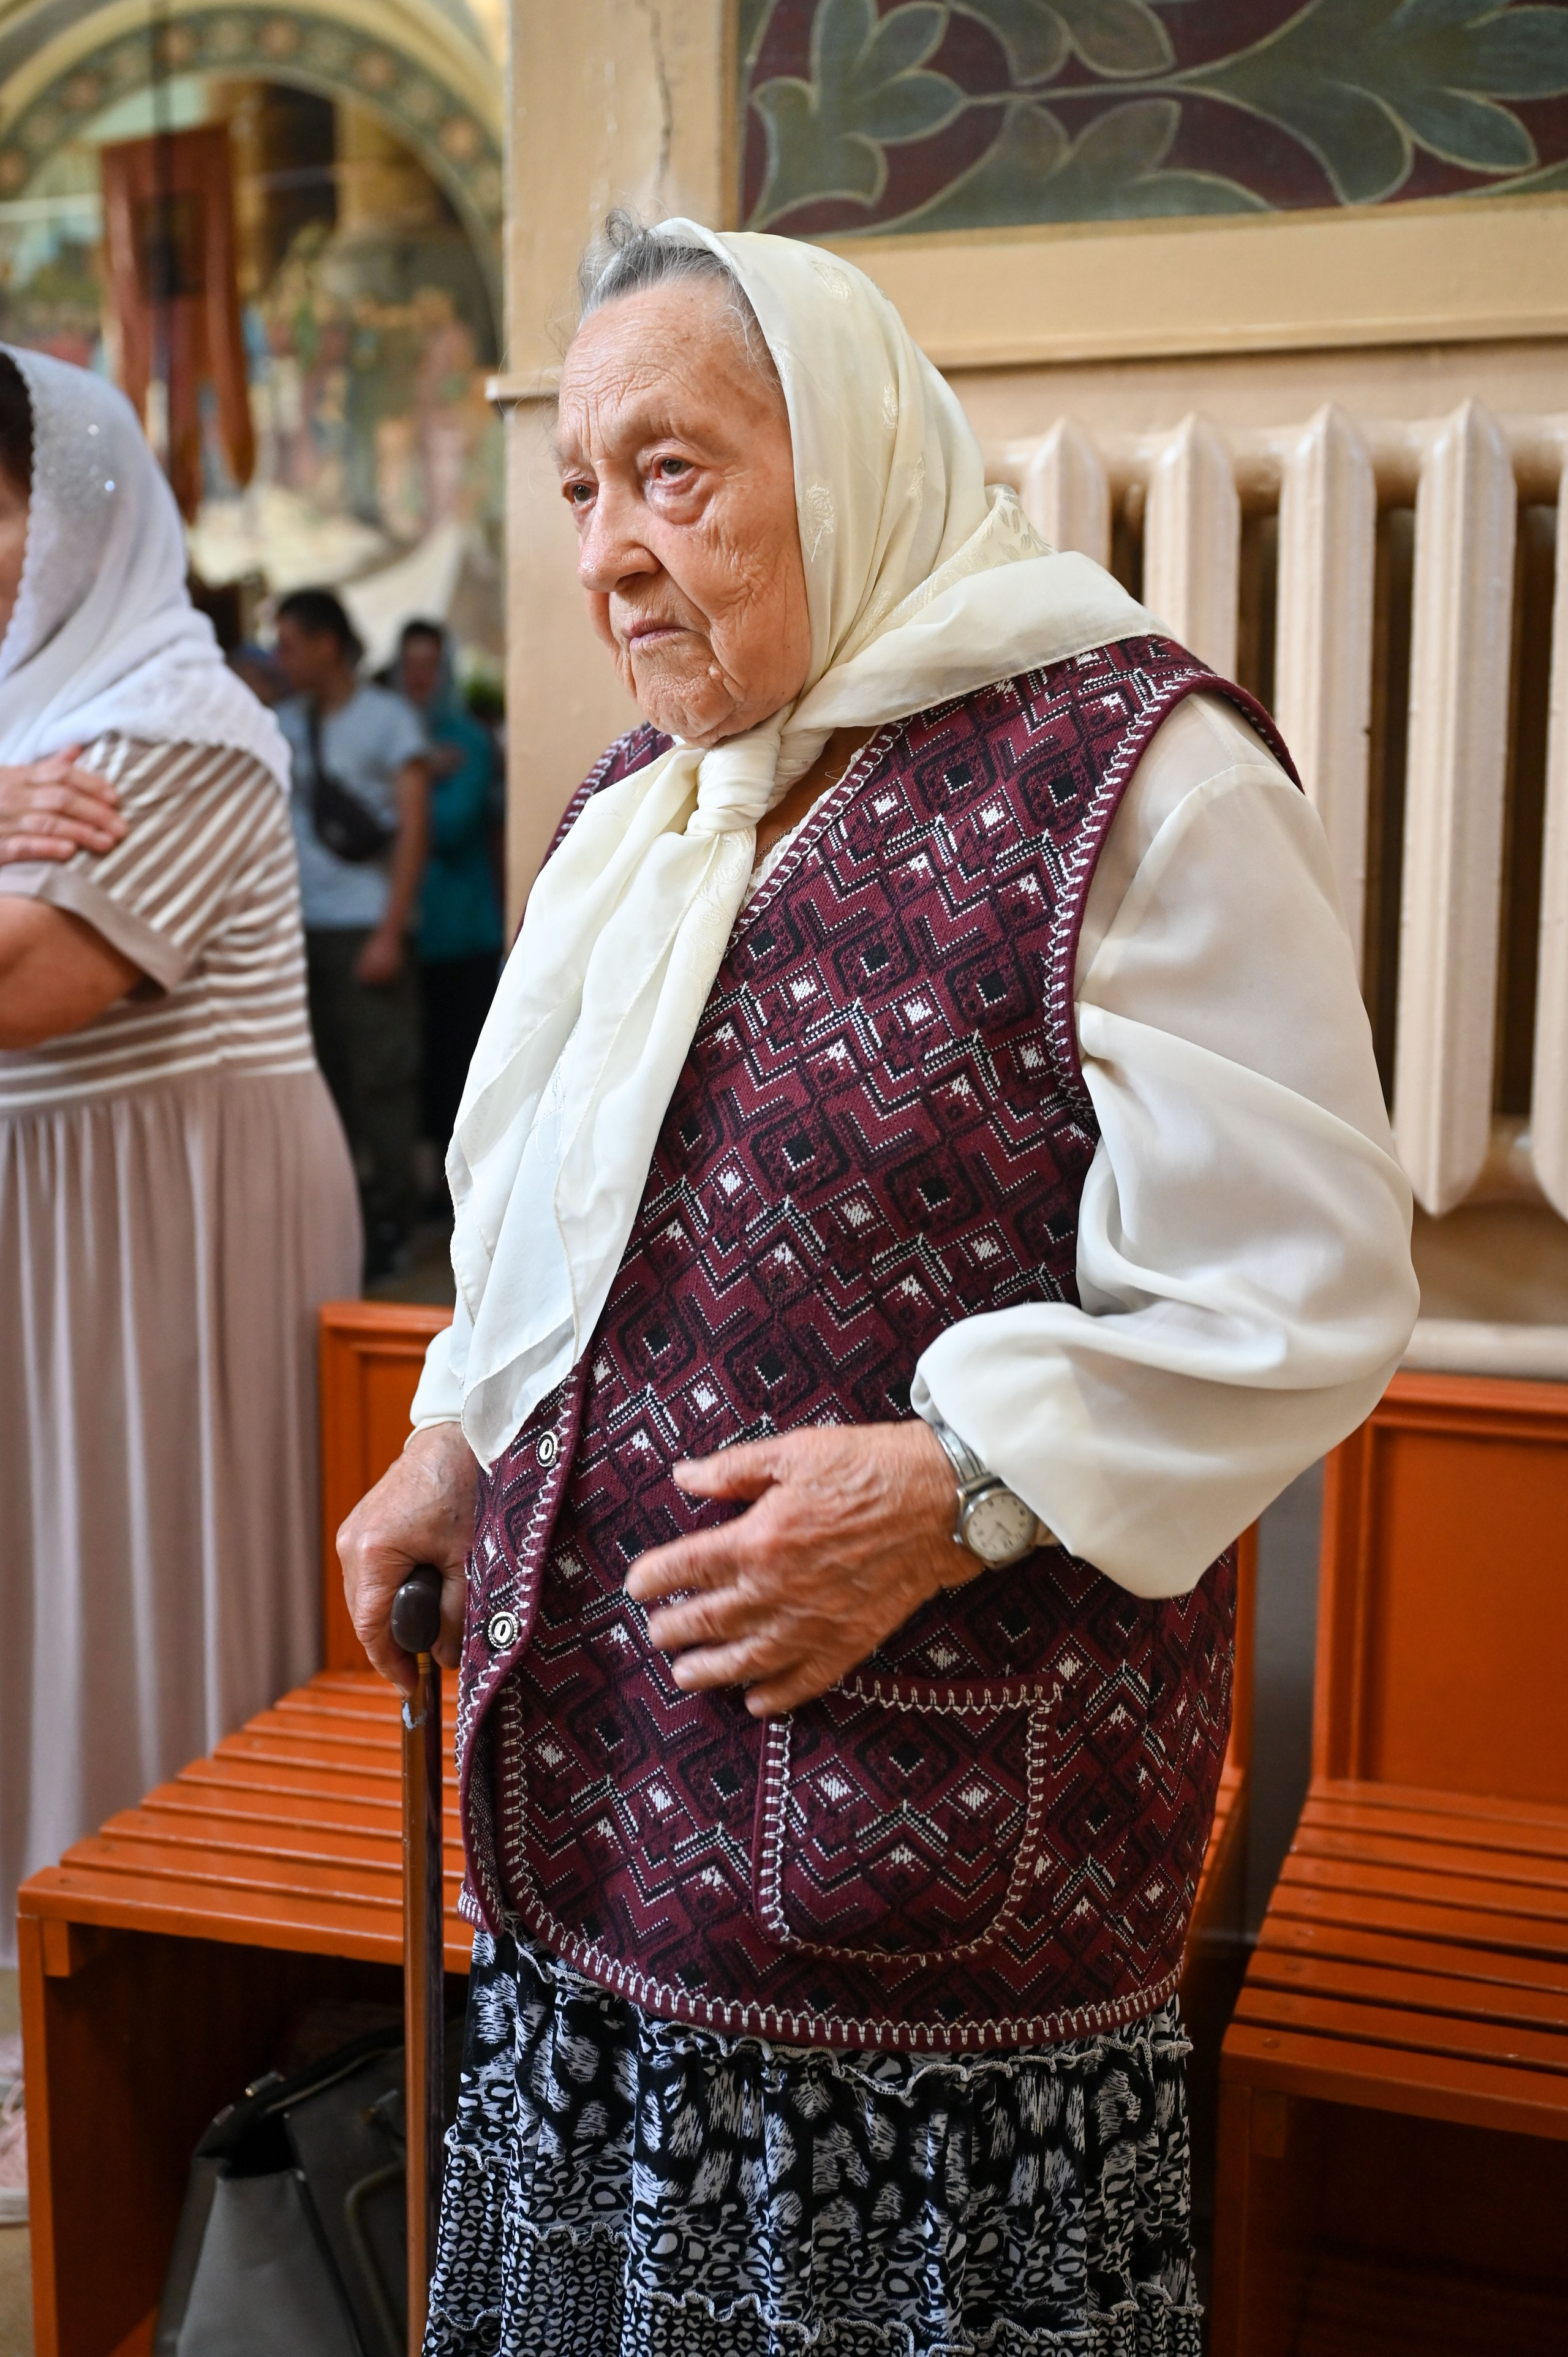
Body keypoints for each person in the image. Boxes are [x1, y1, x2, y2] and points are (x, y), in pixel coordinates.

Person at [340, 220, 1419, 2355]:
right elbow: (548, 1222)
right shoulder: (636, 811)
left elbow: (1295, 1287)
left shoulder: (1136, 782)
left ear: (847, 459)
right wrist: (453, 1438)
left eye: (676, 473)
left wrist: (953, 1490)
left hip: (934, 1895)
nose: (611, 554)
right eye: (577, 488)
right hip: (599, 1814)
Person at [0, 349, 361, 1997]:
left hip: (157, 1226)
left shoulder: (177, 719)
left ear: (69, 518)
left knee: (121, 1616)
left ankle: (145, 2011)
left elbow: (29, 988)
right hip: (47, 1227)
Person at [274, 586, 430, 1279]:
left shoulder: (387, 719)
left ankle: (390, 1218)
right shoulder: (281, 721)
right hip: (296, 928)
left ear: (327, 642)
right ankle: (336, 1218)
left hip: (365, 923)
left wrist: (391, 929)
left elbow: (414, 824)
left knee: (381, 1082)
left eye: (290, 643)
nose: (282, 657)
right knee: (321, 1084)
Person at [390, 617, 502, 1198]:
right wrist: (422, 771)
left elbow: (455, 826)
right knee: (415, 1062)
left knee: (461, 1061)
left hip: (462, 930)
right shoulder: (394, 733)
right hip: (409, 933)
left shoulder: (468, 739)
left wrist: (403, 787)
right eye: (407, 664)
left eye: (428, 664)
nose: (417, 677)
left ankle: (458, 1186)